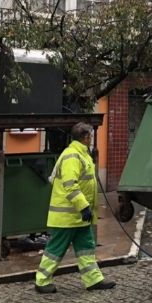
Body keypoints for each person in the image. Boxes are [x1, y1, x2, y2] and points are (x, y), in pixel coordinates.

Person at [35, 122, 115, 293]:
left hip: (78, 216)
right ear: (86, 137)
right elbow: (70, 185)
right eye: (91, 137)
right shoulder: (72, 156)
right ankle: (41, 281)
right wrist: (84, 206)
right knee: (55, 249)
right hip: (68, 216)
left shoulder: (80, 154)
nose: (92, 140)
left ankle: (93, 279)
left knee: (86, 247)